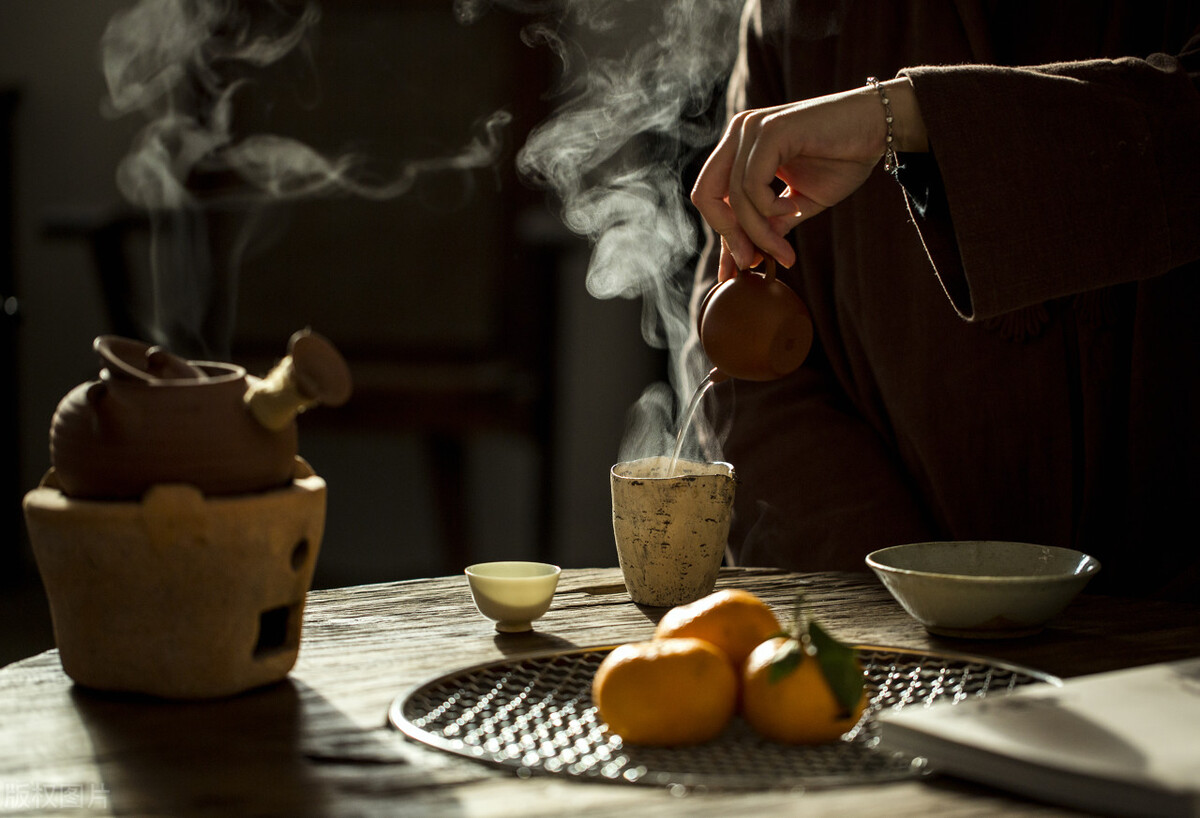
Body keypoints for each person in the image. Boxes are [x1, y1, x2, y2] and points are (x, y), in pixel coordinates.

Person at [687, 1, 1200, 599]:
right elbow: (755, 379)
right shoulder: (793, 14)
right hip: (900, 612)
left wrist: (909, 119)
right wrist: (896, 586)